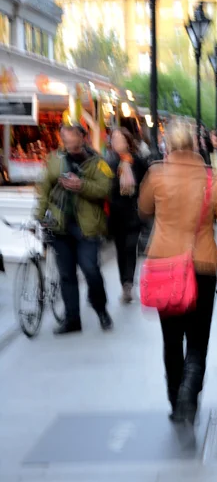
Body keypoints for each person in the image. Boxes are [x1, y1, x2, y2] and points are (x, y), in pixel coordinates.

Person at [139, 119, 217, 424]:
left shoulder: (156, 174)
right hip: (200, 266)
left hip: (164, 265)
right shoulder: (211, 180)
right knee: (198, 339)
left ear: (168, 145)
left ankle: (176, 402)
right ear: (194, 145)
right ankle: (190, 393)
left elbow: (144, 208)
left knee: (171, 339)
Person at [35, 124, 113, 334]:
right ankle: (72, 320)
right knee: (66, 275)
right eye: (65, 141)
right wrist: (39, 216)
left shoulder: (97, 163)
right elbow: (44, 190)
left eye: (73, 141)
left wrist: (82, 186)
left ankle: (101, 309)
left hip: (87, 227)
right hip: (60, 226)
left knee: (90, 269)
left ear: (82, 138)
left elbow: (105, 189)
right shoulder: (54, 160)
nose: (69, 145)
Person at [107, 128, 148, 303]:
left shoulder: (137, 161)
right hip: (116, 214)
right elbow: (107, 188)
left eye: (120, 139)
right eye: (114, 140)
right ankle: (124, 281)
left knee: (131, 248)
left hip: (133, 212)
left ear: (128, 141)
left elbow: (147, 183)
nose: (117, 143)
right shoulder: (110, 163)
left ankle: (128, 285)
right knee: (120, 251)